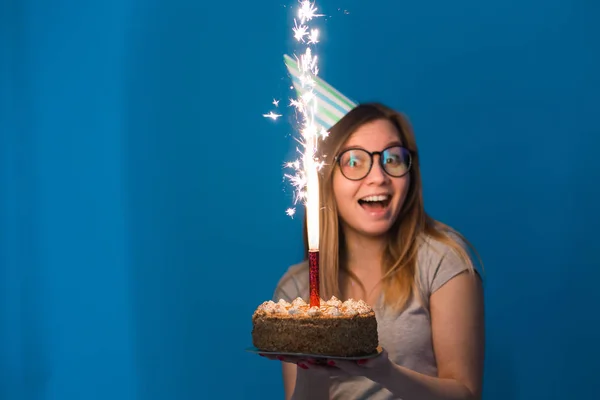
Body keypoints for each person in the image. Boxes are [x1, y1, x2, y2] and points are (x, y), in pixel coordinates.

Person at [261, 102, 485, 400]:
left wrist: (383, 371)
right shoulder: (296, 292)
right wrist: (310, 366)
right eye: (354, 161)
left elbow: (466, 394)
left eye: (392, 158)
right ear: (326, 178)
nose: (379, 177)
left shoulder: (443, 262)